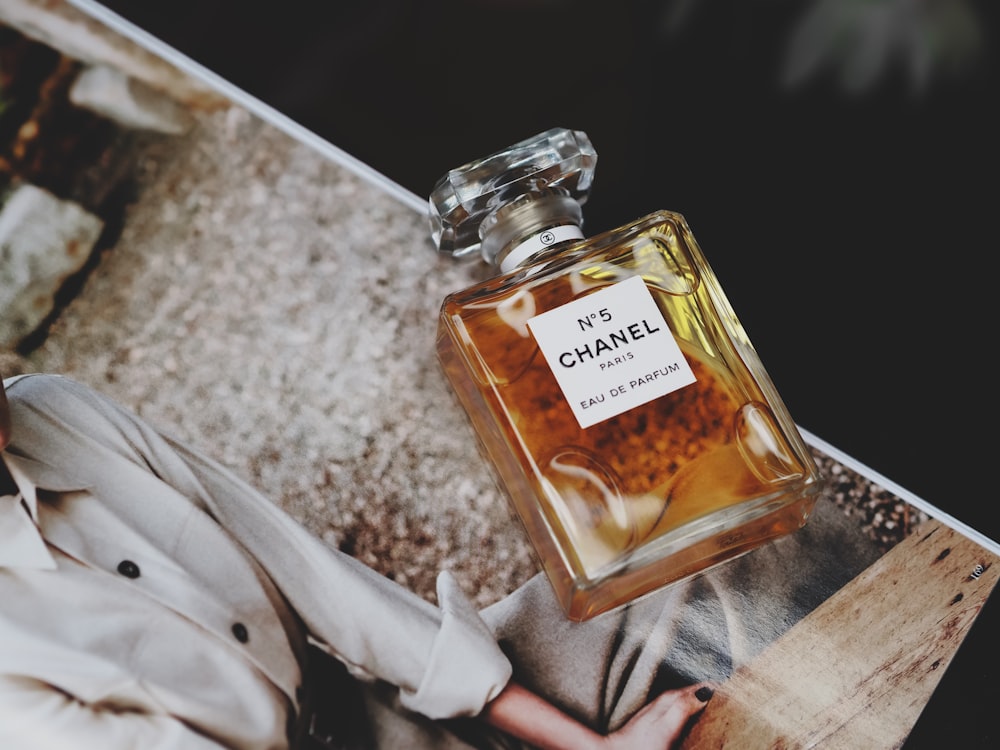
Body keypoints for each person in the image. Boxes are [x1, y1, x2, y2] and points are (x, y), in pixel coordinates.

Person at [0, 371, 714, 749]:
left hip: (404, 724)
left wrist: (589, 749)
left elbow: (314, 579)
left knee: (706, 574)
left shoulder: (54, 410)